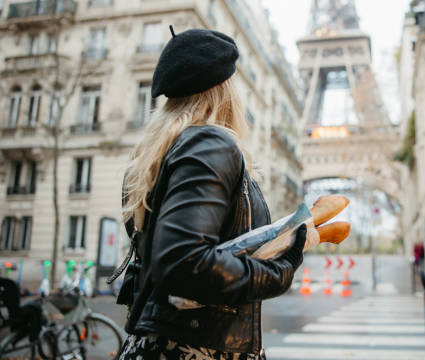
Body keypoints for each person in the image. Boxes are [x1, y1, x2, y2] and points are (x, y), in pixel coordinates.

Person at [111, 28, 307, 360]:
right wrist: (278, 273)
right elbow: (184, 261)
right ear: (224, 89)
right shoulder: (211, 144)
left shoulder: (154, 157)